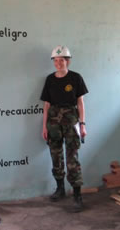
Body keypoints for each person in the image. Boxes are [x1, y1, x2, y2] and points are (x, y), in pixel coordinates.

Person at [40, 45, 88, 212]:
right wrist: (44, 126)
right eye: (56, 60)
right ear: (53, 62)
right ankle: (60, 189)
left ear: (68, 61)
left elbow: (80, 103)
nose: (59, 63)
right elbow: (46, 105)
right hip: (53, 122)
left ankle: (77, 196)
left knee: (72, 158)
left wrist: (82, 124)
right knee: (55, 155)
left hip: (71, 121)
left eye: (62, 60)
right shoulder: (50, 80)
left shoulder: (76, 78)